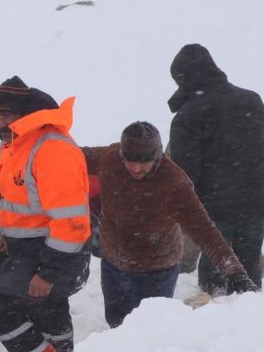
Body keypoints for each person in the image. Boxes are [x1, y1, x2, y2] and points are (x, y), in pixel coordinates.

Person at [82, 122, 258, 327]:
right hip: (112, 262)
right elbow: (72, 155)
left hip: (156, 270)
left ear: (157, 156)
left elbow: (205, 230)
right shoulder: (110, 158)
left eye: (144, 162)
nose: (135, 168)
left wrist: (234, 271)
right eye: (130, 161)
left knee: (151, 326)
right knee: (115, 320)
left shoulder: (174, 183)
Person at [0, 77, 91, 352]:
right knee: (49, 312)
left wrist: (49, 272)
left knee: (1, 313)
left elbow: (71, 222)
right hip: (30, 249)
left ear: (24, 114)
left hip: (53, 253)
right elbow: (17, 196)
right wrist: (7, 232)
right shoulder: (15, 144)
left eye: (6, 114)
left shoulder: (50, 148)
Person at [167, 44, 264, 293]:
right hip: (256, 201)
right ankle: (249, 317)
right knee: (249, 266)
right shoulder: (252, 100)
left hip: (214, 207)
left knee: (216, 272)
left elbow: (184, 172)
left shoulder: (187, 116)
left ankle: (215, 316)